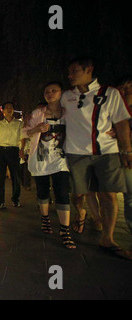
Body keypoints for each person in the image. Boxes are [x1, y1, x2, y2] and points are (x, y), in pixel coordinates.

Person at [62, 56, 132, 259]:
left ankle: (107, 238)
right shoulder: (67, 96)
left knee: (108, 195)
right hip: (76, 154)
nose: (70, 75)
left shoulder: (110, 93)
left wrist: (127, 151)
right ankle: (87, 215)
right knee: (79, 194)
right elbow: (55, 111)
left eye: (74, 71)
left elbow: (120, 122)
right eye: (69, 72)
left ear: (89, 69)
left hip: (106, 153)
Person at [22, 82, 76, 249]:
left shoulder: (69, 113)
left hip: (61, 158)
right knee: (43, 190)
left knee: (62, 192)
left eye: (54, 90)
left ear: (62, 92)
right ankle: (45, 219)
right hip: (40, 158)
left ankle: (65, 230)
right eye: (47, 91)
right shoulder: (38, 113)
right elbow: (24, 132)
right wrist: (36, 128)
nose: (50, 93)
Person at [0, 102, 22, 209]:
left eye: (11, 107)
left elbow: (22, 138)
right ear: (3, 110)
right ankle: (0, 201)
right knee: (0, 177)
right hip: (1, 151)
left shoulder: (19, 123)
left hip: (14, 150)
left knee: (15, 176)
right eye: (7, 108)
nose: (9, 109)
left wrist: (22, 150)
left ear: (13, 110)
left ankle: (15, 199)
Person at [117, 75, 132, 234]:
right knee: (130, 198)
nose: (127, 91)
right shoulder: (116, 113)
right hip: (125, 156)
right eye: (124, 88)